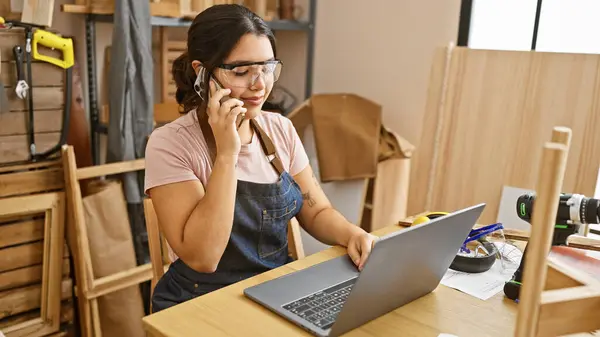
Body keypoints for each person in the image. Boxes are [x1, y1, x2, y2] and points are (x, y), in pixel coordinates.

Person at [144, 4, 377, 313]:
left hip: (274, 291)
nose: (259, 85)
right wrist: (227, 154)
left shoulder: (279, 129)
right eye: (241, 71)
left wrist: (353, 234)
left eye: (267, 68)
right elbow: (203, 257)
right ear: (203, 74)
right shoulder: (171, 144)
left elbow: (316, 210)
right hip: (199, 303)